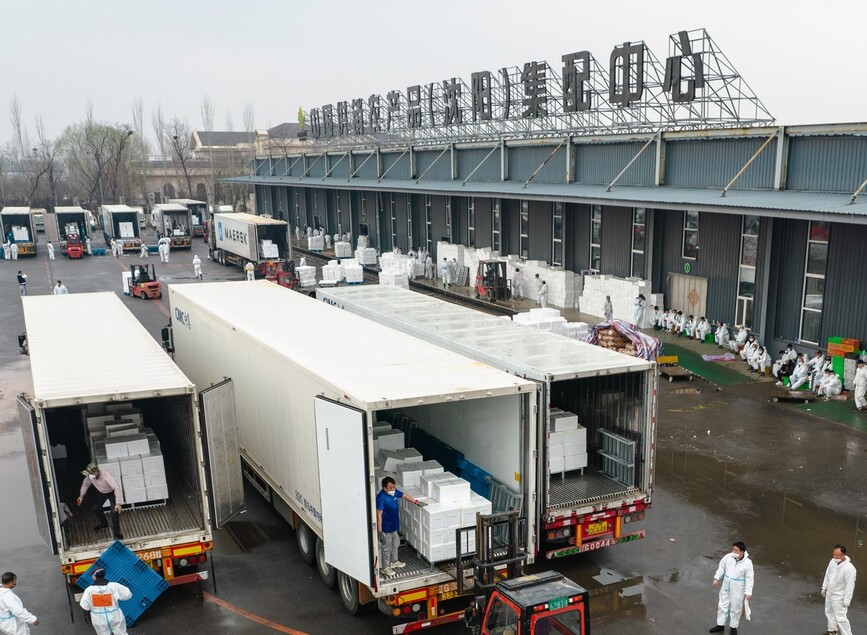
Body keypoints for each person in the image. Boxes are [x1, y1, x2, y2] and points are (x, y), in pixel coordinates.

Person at [376, 477, 420, 576]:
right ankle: (385, 567)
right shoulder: (381, 498)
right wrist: (379, 531)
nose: (393, 490)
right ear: (384, 488)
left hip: (394, 526)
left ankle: (394, 561)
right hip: (385, 528)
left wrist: (415, 501)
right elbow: (378, 515)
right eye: (390, 488)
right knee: (386, 548)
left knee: (396, 543)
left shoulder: (395, 492)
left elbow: (404, 495)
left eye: (394, 487)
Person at [709, 541, 754, 635]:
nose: (733, 551)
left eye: (736, 550)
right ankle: (720, 625)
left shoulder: (748, 563)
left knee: (736, 608)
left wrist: (748, 592)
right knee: (722, 605)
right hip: (726, 585)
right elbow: (721, 567)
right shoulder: (728, 557)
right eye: (733, 549)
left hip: (738, 589)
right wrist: (716, 578)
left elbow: (749, 578)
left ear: (742, 552)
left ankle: (733, 627)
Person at [76, 462, 123, 540]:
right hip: (101, 492)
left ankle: (117, 532)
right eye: (89, 473)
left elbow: (116, 488)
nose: (90, 475)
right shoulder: (90, 477)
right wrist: (81, 496)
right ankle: (104, 524)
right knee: (96, 508)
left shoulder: (106, 476)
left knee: (114, 512)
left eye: (92, 473)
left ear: (96, 471)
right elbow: (85, 484)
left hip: (111, 493)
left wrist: (118, 503)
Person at [79, 568, 132, 635]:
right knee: (121, 633)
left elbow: (85, 606)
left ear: (94, 576)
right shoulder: (114, 586)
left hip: (98, 619)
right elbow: (128, 594)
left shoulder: (89, 590)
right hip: (115, 615)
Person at [821, 544, 856, 635]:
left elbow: (850, 586)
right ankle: (832, 631)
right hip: (830, 593)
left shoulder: (849, 569)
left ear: (843, 555)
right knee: (829, 612)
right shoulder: (832, 562)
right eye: (834, 554)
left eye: (837, 555)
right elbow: (827, 574)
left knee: (841, 618)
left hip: (839, 596)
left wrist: (847, 600)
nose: (835, 557)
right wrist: (824, 587)